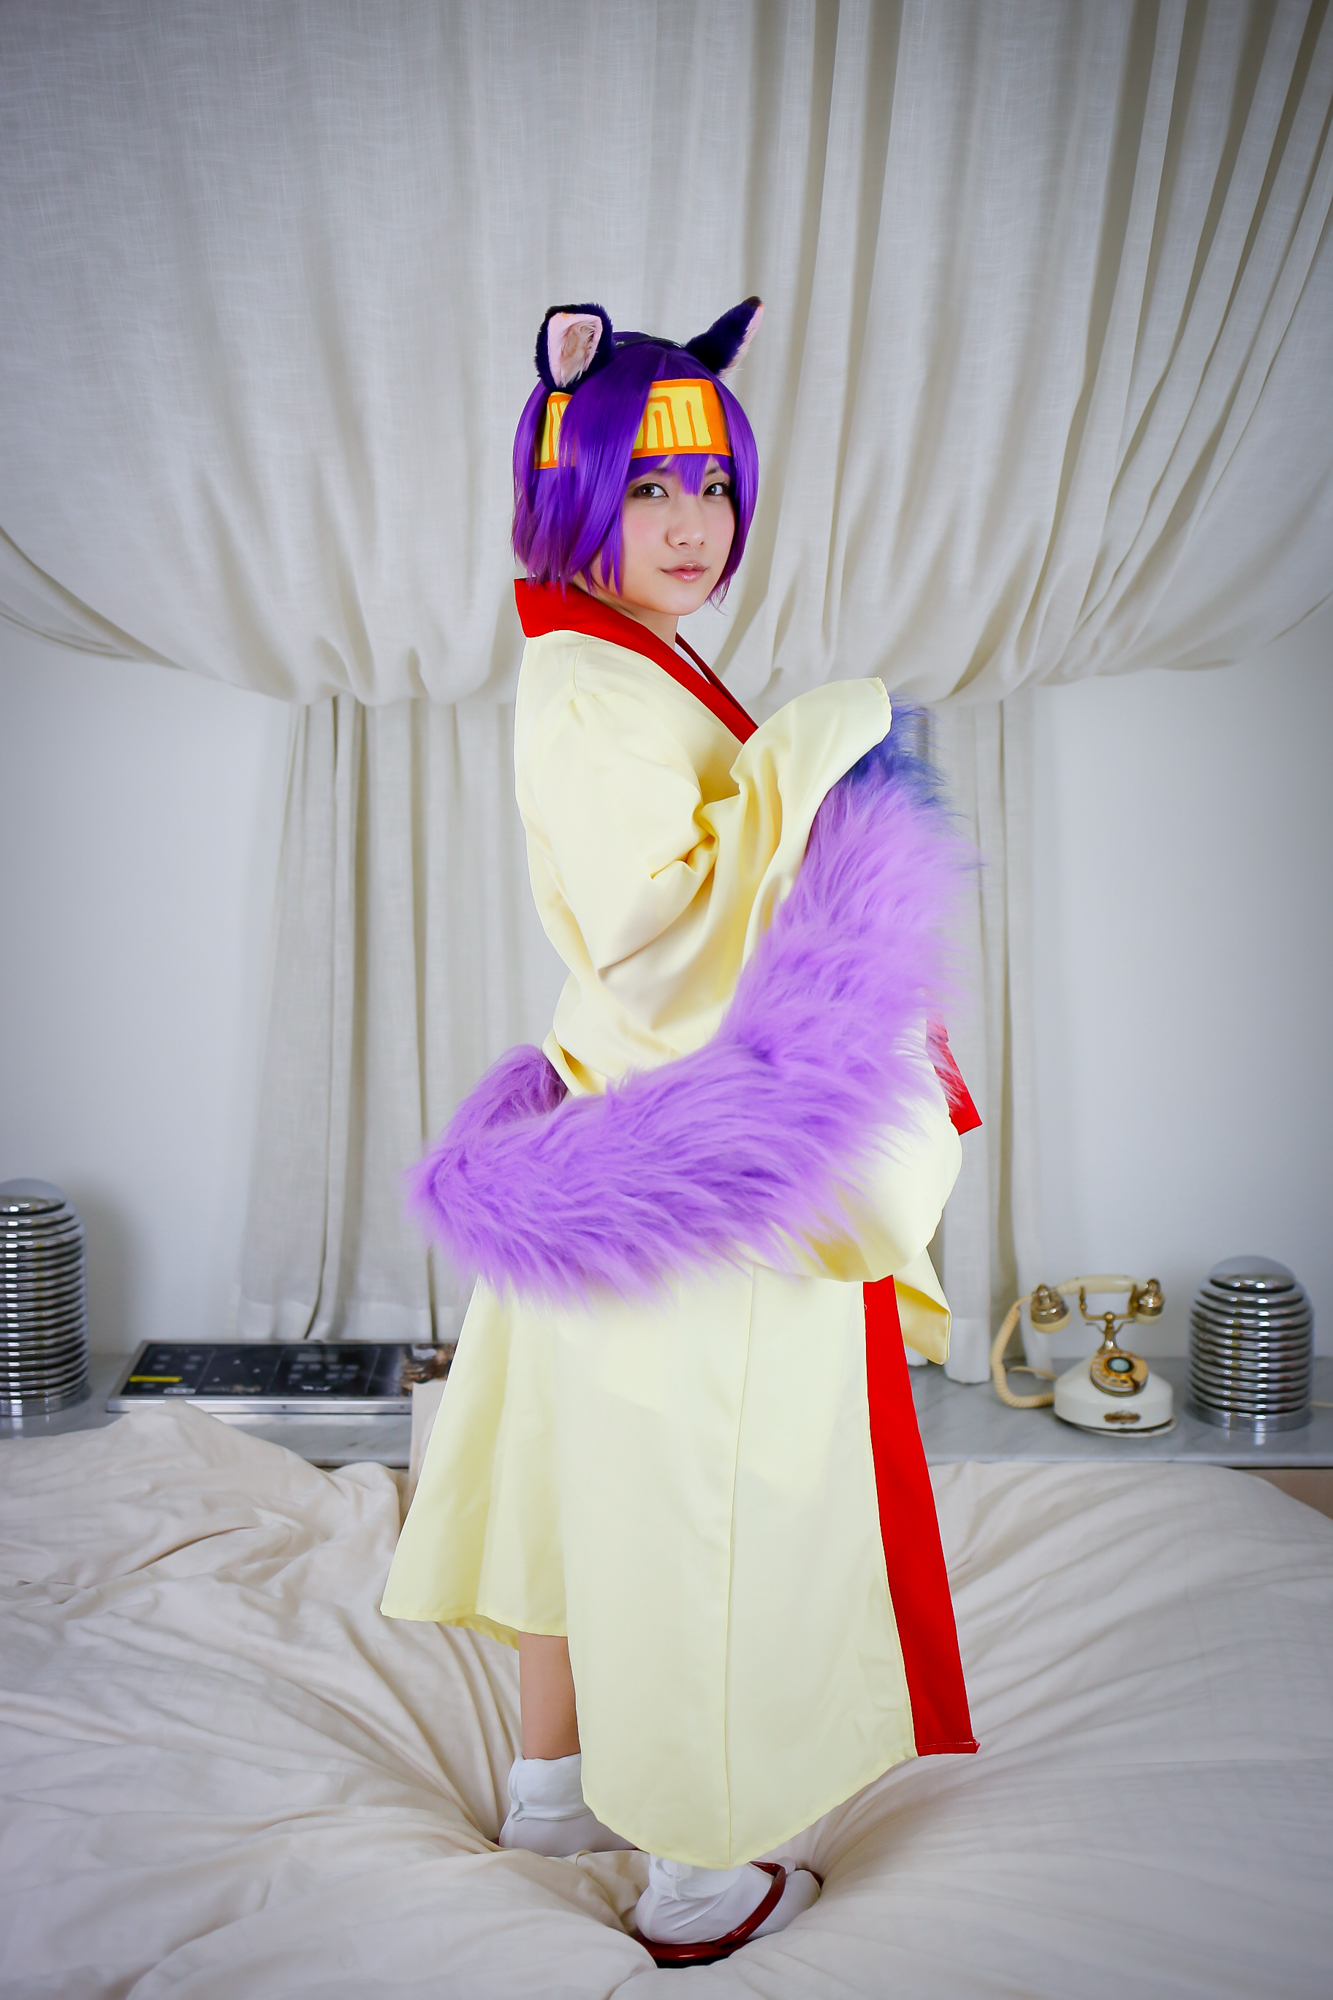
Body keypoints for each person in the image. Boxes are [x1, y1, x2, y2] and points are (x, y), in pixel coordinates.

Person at [380, 297, 980, 1966]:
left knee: (575, 1481)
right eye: (647, 488)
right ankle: (702, 1876)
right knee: (704, 1508)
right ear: (569, 489)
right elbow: (658, 931)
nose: (690, 521)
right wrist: (821, 748)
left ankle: (552, 1789)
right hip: (681, 1170)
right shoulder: (588, 684)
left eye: (711, 486)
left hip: (609, 1139)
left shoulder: (611, 660)